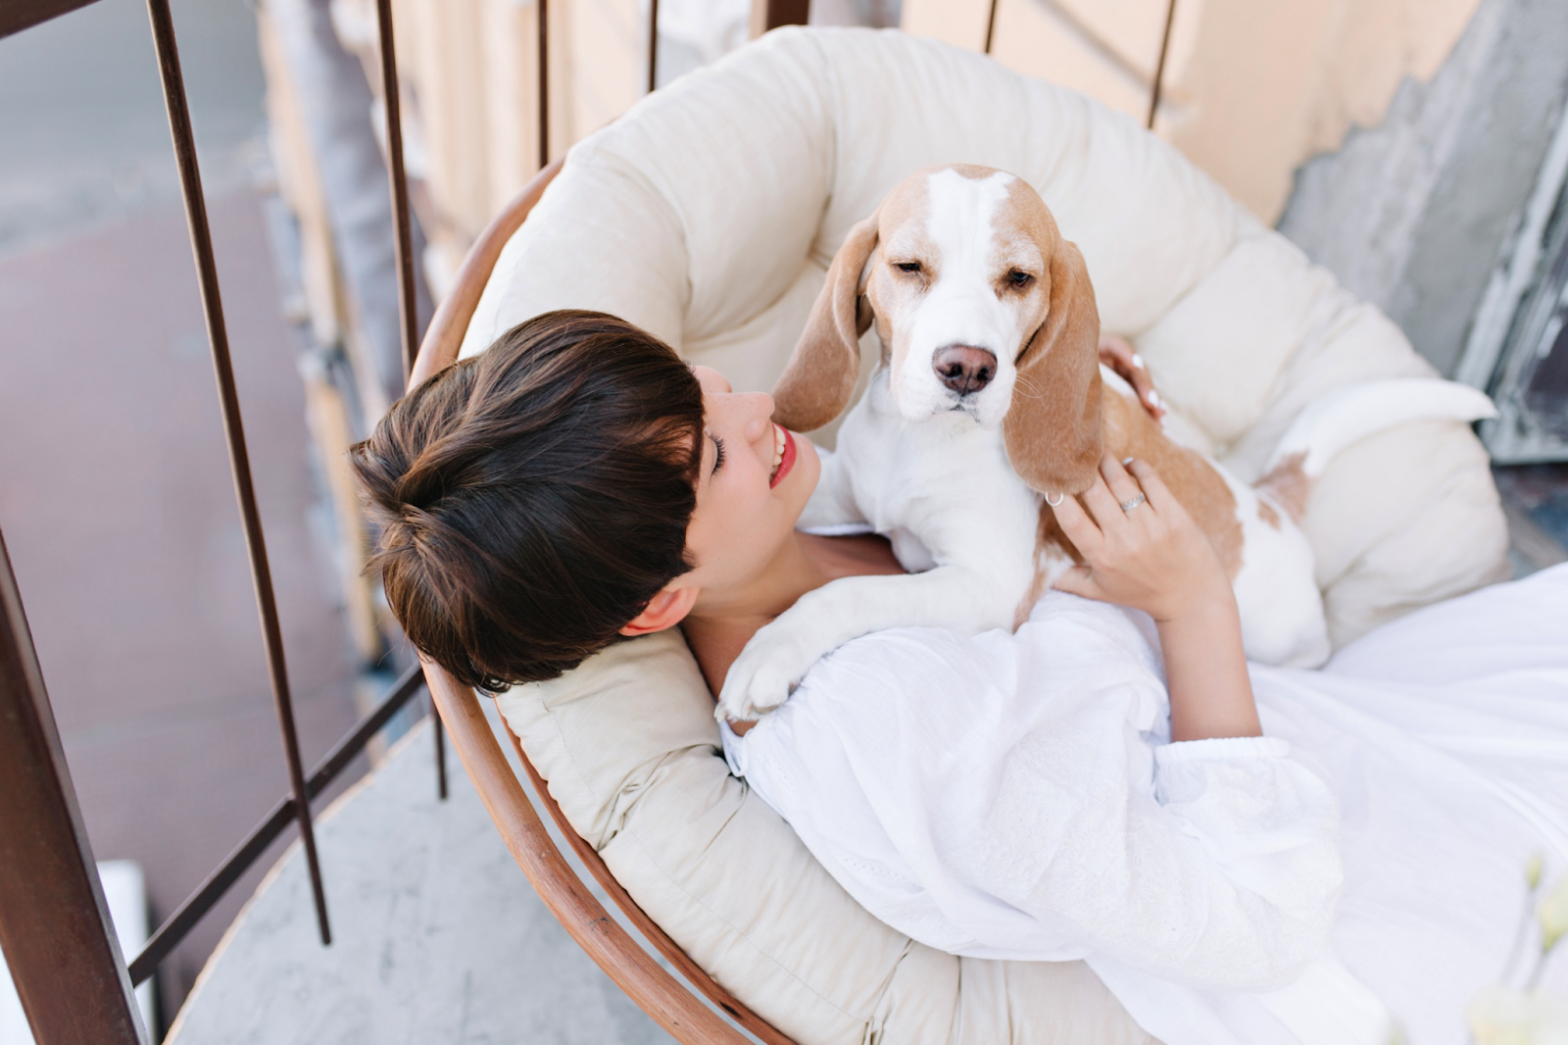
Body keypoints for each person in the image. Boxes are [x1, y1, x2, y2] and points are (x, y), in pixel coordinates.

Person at [352, 310, 1568, 1045]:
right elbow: (1253, 917)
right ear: (660, 603)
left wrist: (1054, 401)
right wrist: (1185, 595)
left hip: (1355, 727)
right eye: (717, 448)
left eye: (698, 381)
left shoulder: (801, 511)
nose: (752, 397)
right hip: (1367, 903)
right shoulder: (884, 731)